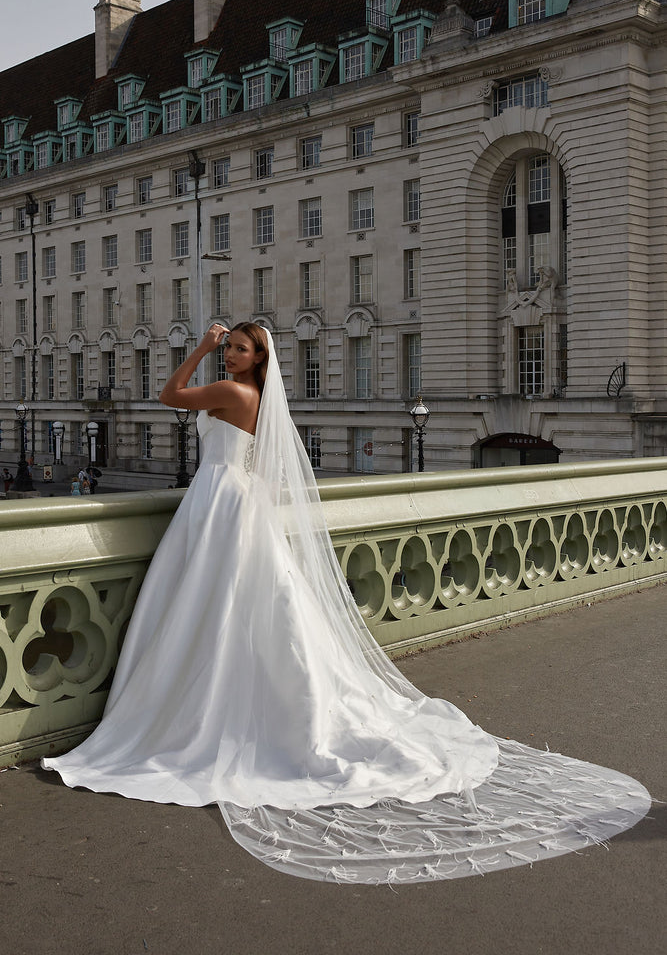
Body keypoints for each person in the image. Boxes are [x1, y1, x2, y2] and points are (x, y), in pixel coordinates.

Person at [42, 323, 651, 885]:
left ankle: (201, 704)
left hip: (217, 501)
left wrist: (199, 347)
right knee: (246, 607)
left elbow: (171, 395)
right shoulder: (255, 398)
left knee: (212, 605)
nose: (232, 353)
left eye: (242, 348)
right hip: (236, 502)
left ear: (259, 361)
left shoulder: (229, 391)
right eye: (231, 346)